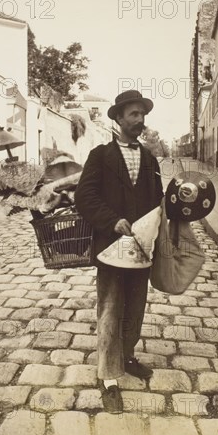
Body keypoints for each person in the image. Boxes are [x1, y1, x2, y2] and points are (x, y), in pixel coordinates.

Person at [75, 90, 163, 414]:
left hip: (141, 250)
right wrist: (112, 221)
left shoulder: (151, 159)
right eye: (134, 114)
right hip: (111, 248)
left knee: (136, 310)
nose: (140, 120)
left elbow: (158, 203)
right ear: (118, 118)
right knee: (111, 309)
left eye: (142, 114)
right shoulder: (100, 156)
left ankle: (126, 356)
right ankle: (109, 379)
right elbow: (84, 197)